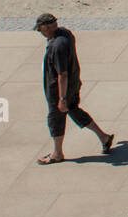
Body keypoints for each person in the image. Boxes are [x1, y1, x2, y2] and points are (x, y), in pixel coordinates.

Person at [35, 13, 115, 164]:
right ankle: (104, 137)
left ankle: (57, 154)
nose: (40, 33)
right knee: (74, 111)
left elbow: (62, 74)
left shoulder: (57, 46)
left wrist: (62, 99)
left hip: (59, 90)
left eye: (40, 30)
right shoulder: (65, 33)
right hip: (73, 84)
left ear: (45, 27)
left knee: (56, 119)